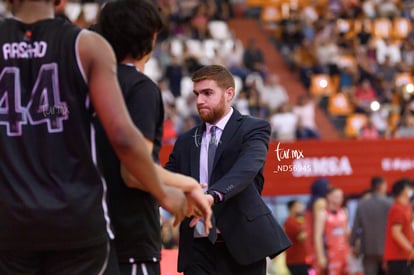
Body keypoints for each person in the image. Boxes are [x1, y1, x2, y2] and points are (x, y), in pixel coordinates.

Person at [0, 1, 190, 274]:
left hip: (10, 221)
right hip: (75, 220)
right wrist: (165, 193)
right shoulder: (86, 46)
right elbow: (124, 137)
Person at [95, 1, 212, 275]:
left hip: (86, 236)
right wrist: (186, 184)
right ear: (152, 37)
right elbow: (133, 171)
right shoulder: (140, 88)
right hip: (129, 239)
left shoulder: (86, 81)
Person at [165, 64, 291, 275]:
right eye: (196, 94)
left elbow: (247, 168)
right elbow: (166, 178)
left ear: (229, 93)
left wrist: (212, 196)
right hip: (197, 246)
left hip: (242, 245)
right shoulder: (185, 141)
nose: (199, 101)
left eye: (207, 93)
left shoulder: (253, 128)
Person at [350, 176, 392, 275]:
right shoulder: (390, 203)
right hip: (388, 248)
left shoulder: (362, 204)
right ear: (381, 186)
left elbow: (355, 226)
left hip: (368, 248)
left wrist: (352, 244)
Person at [314, 187, 350, 275]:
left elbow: (347, 231)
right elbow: (317, 236)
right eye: (336, 196)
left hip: (345, 251)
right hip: (331, 252)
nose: (339, 199)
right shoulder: (323, 213)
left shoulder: (344, 211)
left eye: (341, 196)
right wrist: (320, 256)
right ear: (329, 196)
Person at [383, 178, 414, 275]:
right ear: (404, 191)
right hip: (398, 257)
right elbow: (396, 232)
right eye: (410, 188)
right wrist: (410, 248)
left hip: (405, 256)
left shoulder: (406, 207)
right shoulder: (397, 208)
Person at [305, 178, 329, 275]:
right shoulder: (320, 202)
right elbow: (319, 227)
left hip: (311, 239)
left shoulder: (311, 202)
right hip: (317, 241)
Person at [284, 200, 308, 275]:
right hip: (295, 260)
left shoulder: (299, 220)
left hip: (301, 259)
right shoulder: (290, 222)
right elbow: (301, 237)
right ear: (291, 208)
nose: (301, 208)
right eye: (298, 206)